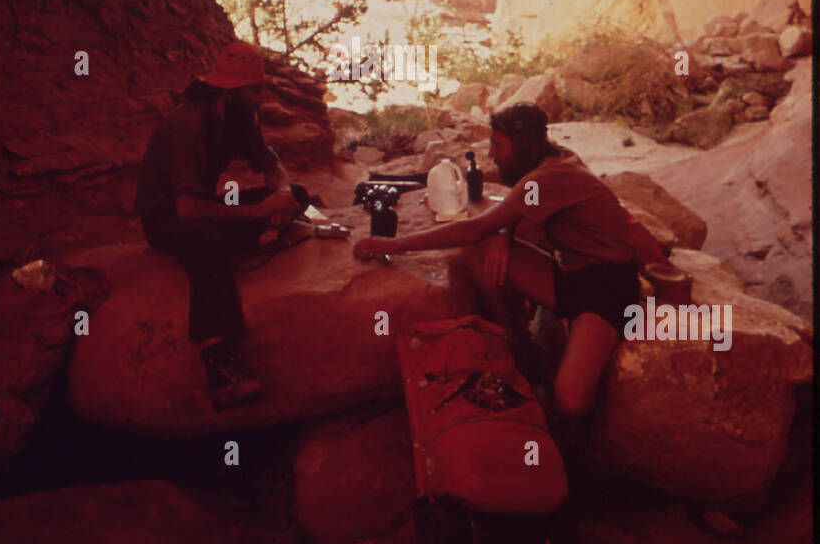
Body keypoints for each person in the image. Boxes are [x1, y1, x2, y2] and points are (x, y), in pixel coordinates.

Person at [353, 102, 642, 426]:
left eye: (498, 144)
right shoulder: (550, 161)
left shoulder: (548, 177)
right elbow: (507, 213)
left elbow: (475, 227)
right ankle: (513, 338)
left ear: (524, 145)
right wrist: (503, 233)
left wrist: (394, 245)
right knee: (482, 248)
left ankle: (594, 435)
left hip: (607, 286)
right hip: (570, 273)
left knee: (571, 400)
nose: (491, 153)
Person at [134, 40, 308, 408]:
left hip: (202, 205)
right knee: (206, 240)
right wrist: (262, 213)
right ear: (232, 90)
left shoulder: (240, 116)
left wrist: (281, 194)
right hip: (168, 217)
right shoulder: (189, 123)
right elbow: (187, 209)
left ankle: (256, 230)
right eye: (255, 88)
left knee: (301, 196)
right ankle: (220, 371)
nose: (260, 96)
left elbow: (272, 167)